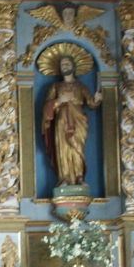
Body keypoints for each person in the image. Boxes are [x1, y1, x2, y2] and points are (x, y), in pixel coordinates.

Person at [41, 54, 102, 185]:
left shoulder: (81, 86)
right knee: (62, 147)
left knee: (77, 147)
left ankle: (79, 176)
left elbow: (90, 103)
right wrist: (59, 101)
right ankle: (65, 177)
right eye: (63, 64)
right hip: (61, 120)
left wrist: (96, 100)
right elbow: (46, 106)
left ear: (73, 66)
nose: (65, 66)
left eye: (67, 63)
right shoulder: (55, 87)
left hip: (78, 120)